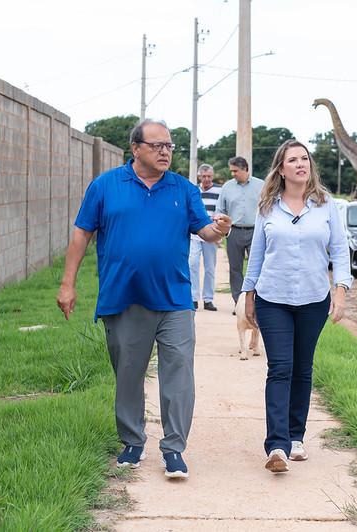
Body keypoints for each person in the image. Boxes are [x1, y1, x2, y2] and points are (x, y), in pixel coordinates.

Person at [56, 119, 231, 479]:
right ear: (136, 149)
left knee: (179, 371)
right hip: (124, 297)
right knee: (128, 374)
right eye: (157, 145)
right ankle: (133, 442)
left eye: (169, 146)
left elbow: (205, 231)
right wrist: (67, 284)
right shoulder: (105, 186)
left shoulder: (183, 189)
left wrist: (220, 229)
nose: (166, 151)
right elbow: (81, 234)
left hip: (175, 299)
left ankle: (174, 448)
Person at [241, 140, 352, 473]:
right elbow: (257, 253)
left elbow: (340, 250)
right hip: (273, 299)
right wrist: (248, 293)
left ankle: (296, 436)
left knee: (303, 368)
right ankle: (276, 445)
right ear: (281, 168)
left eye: (305, 159)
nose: (301, 164)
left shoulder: (325, 205)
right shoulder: (268, 208)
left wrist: (341, 289)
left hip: (313, 299)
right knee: (280, 368)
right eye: (293, 159)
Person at [216, 156, 264, 307]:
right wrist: (221, 229)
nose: (233, 174)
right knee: (235, 269)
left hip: (256, 232)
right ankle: (239, 303)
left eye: (235, 171)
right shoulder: (227, 187)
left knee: (257, 267)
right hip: (234, 232)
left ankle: (256, 302)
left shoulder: (261, 186)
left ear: (245, 169)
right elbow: (220, 210)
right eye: (231, 171)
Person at [189, 164, 222, 311]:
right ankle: (194, 298)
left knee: (210, 268)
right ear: (199, 176)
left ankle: (208, 299)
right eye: (204, 176)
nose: (207, 179)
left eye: (209, 176)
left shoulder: (219, 191)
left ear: (212, 176)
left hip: (212, 233)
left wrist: (219, 233)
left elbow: (221, 211)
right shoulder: (193, 190)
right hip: (195, 233)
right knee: (192, 265)